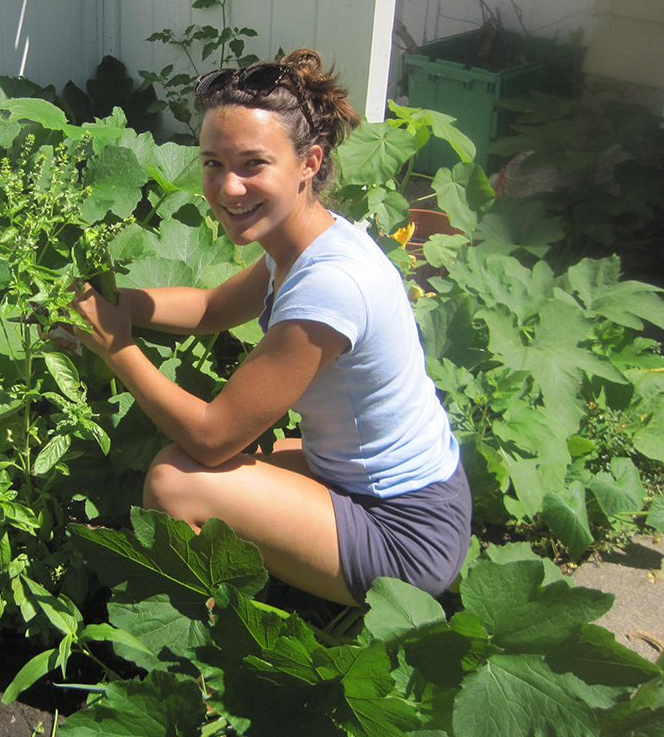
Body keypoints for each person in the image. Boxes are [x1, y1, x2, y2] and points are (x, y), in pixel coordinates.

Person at [70, 49, 471, 606]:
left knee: (176, 480)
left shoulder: (330, 286)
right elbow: (210, 308)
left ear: (310, 162)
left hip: (406, 535)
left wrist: (115, 344)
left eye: (252, 164)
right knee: (255, 455)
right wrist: (113, 301)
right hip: (403, 490)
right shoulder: (311, 241)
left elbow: (211, 437)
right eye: (213, 163)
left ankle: (204, 654)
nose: (228, 187)